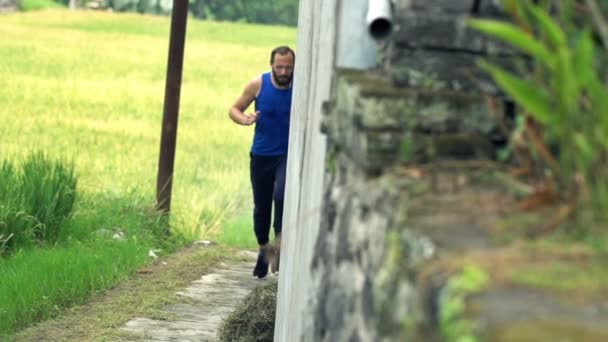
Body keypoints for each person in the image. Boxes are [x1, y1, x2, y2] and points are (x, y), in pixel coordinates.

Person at [229, 46, 294, 279]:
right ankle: (263, 248)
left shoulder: (301, 85)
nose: (284, 71)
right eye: (279, 67)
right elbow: (234, 109)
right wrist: (244, 119)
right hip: (261, 155)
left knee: (282, 195)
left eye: (288, 67)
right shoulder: (258, 85)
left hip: (288, 155)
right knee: (262, 208)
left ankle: (278, 248)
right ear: (271, 65)